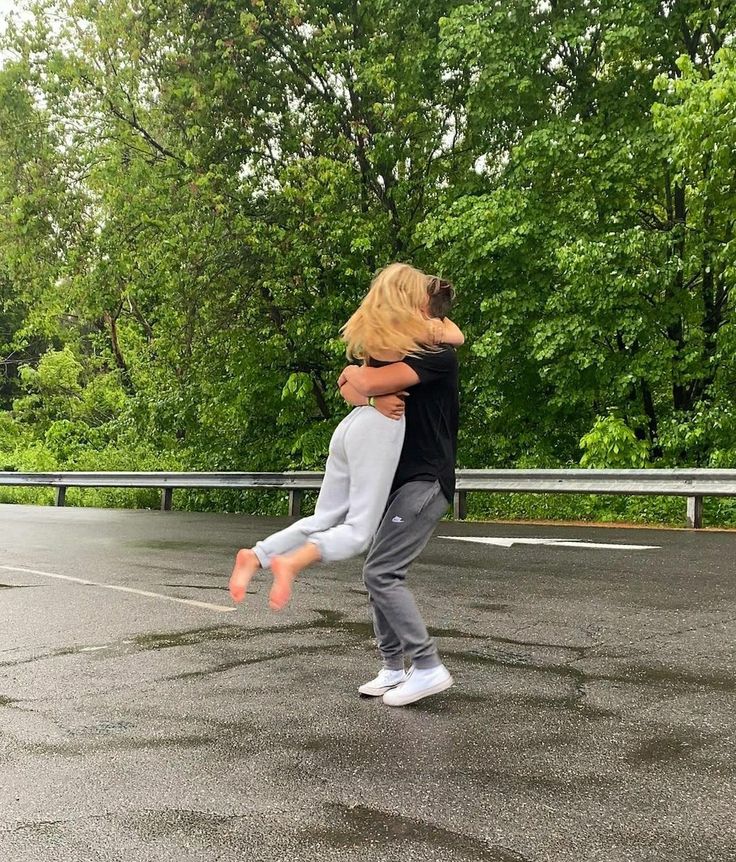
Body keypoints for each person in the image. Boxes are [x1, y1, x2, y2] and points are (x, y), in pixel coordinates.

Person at [228, 263, 464, 615]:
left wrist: (357, 380)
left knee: (323, 517)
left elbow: (349, 385)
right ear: (410, 298)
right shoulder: (416, 337)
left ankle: (257, 555)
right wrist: (366, 386)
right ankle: (293, 562)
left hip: (352, 426)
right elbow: (450, 339)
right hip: (378, 432)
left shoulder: (374, 325)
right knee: (358, 530)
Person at [338, 276, 460, 706]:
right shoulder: (398, 350)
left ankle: (427, 666)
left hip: (425, 481)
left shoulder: (436, 355)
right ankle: (393, 668)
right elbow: (348, 387)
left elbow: (361, 382)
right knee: (378, 572)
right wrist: (364, 394)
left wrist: (360, 382)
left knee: (381, 572)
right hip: (397, 479)